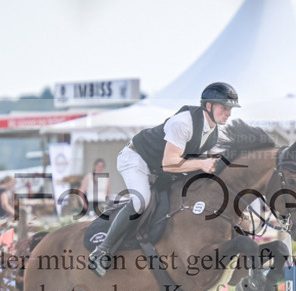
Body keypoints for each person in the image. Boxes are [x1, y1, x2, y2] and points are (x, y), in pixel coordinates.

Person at [87, 82, 239, 276]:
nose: (229, 113)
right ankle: (102, 250)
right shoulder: (183, 123)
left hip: (160, 168)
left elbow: (210, 162)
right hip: (137, 158)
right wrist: (201, 164)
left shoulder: (214, 131)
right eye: (225, 107)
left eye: (230, 108)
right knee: (141, 201)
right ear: (208, 106)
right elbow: (170, 163)